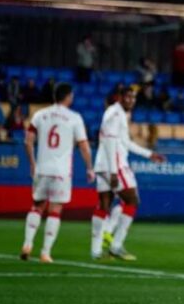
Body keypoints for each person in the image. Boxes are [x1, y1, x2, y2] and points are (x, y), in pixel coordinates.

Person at [20, 83, 94, 263]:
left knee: (36, 207)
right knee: (55, 210)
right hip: (61, 172)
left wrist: (32, 163)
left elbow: (28, 141)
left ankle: (28, 243)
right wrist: (89, 167)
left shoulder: (40, 114)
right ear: (68, 97)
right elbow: (84, 146)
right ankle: (45, 252)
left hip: (42, 169)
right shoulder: (74, 118)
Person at [92, 86, 166, 260]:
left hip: (103, 164)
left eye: (133, 98)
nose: (131, 100)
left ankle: (95, 251)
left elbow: (125, 141)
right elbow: (110, 142)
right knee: (132, 200)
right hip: (114, 165)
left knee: (104, 205)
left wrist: (149, 154)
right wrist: (113, 171)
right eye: (128, 97)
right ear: (120, 97)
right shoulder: (116, 114)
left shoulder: (117, 114)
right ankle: (116, 246)